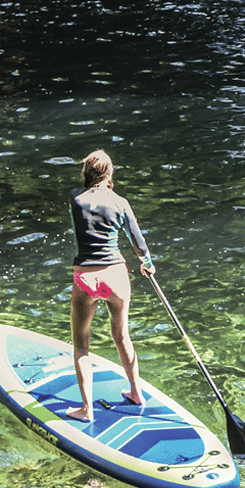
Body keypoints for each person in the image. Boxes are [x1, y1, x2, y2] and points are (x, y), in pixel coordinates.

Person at [65, 149, 155, 423]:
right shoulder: (121, 202)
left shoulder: (75, 199)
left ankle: (86, 410)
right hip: (115, 280)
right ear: (110, 173)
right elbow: (138, 243)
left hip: (89, 282)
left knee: (81, 343)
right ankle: (136, 393)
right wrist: (147, 262)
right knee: (121, 335)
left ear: (86, 173)